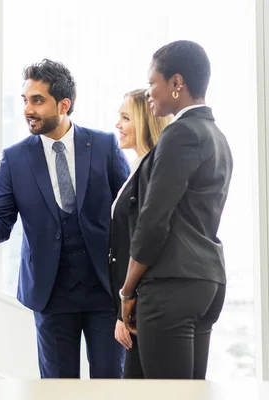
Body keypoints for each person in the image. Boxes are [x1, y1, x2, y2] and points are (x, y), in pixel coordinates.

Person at [0, 59, 131, 378]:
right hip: (51, 294)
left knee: (110, 384)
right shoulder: (15, 159)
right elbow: (0, 223)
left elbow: (130, 214)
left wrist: (131, 286)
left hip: (105, 291)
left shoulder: (104, 145)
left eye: (37, 100)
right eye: (25, 100)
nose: (28, 109)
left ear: (64, 104)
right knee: (56, 389)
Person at [119, 40, 234, 379]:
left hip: (171, 284)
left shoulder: (179, 133)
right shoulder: (216, 136)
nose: (149, 91)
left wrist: (127, 291)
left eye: (152, 82)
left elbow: (153, 221)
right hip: (207, 282)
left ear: (176, 83)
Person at [109, 88, 171, 378]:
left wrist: (126, 309)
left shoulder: (152, 172)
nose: (118, 125)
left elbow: (143, 242)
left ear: (145, 121)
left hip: (144, 305)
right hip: (134, 307)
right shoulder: (137, 167)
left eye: (125, 118)